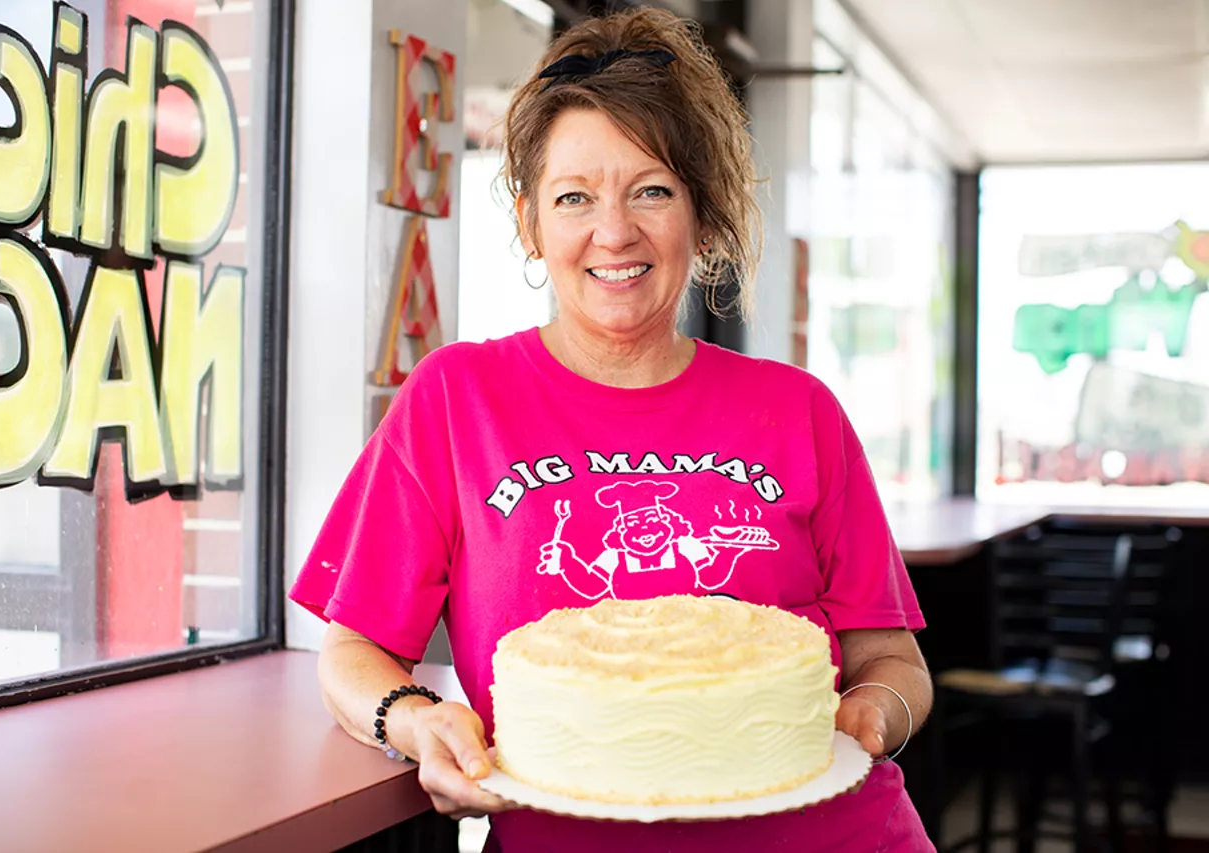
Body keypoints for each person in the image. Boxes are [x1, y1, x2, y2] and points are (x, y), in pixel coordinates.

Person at [290, 7, 935, 851]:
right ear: (530, 223)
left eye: (652, 190)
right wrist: (413, 721)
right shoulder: (456, 400)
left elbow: (895, 663)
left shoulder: (799, 410)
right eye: (574, 198)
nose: (614, 232)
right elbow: (351, 651)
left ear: (700, 214)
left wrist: (872, 714)